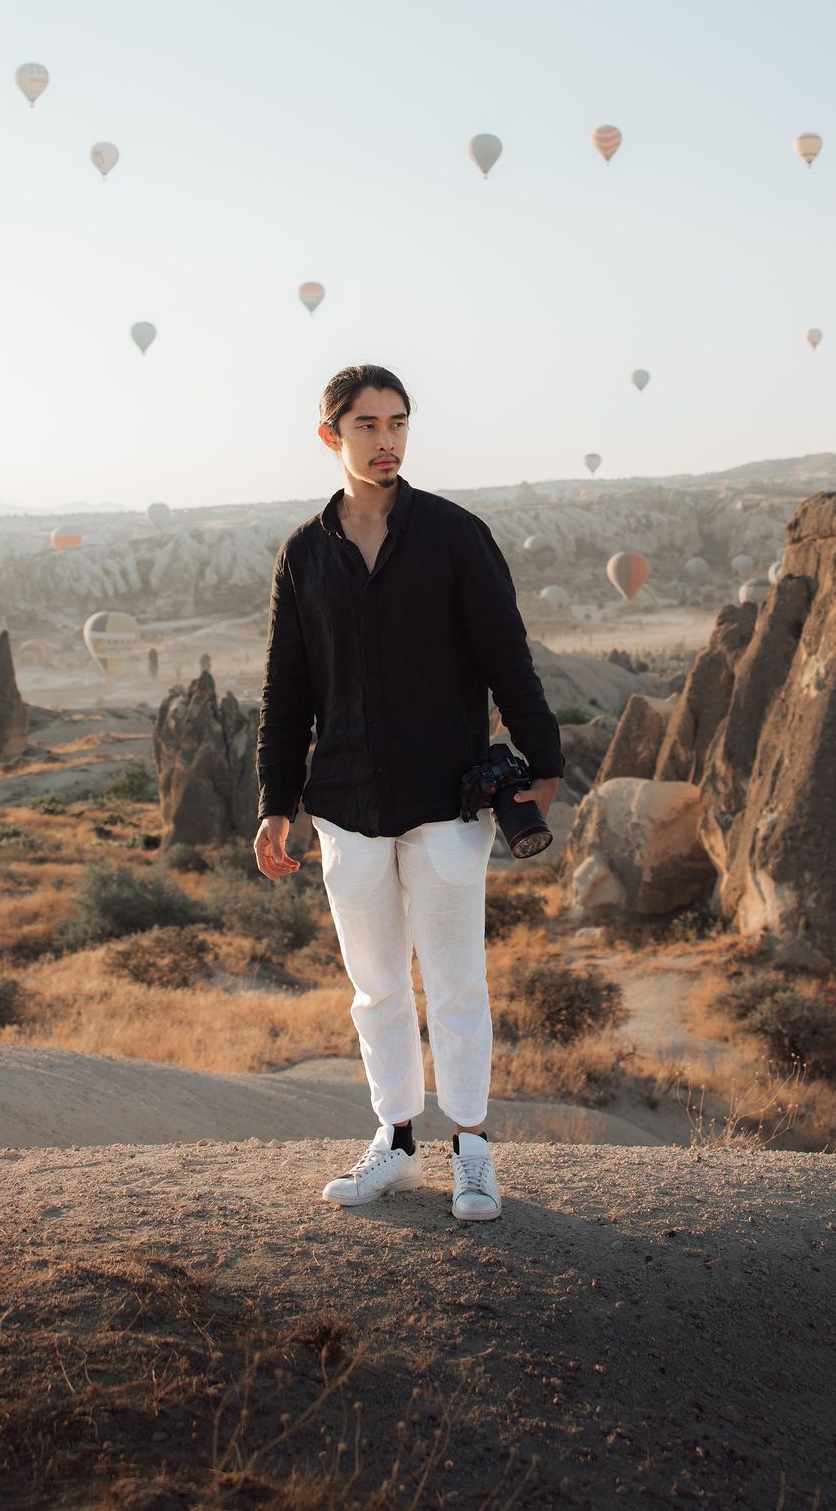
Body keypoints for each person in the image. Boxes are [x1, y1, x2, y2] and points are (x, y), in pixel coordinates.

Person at [253, 365, 564, 1221]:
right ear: (332, 436)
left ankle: (472, 1149)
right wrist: (276, 801)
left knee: (457, 984)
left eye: (398, 423)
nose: (386, 440)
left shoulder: (456, 535)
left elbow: (507, 655)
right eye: (368, 425)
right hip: (346, 803)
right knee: (377, 989)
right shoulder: (303, 554)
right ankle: (394, 1141)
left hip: (446, 798)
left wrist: (545, 761)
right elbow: (286, 689)